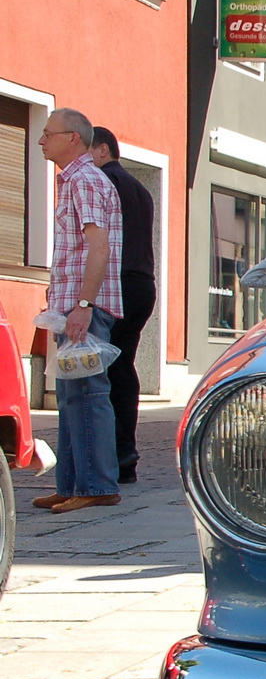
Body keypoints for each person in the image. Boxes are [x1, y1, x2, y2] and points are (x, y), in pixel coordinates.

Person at [35, 108, 124, 513]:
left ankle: (95, 485)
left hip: (83, 306)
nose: (41, 140)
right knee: (71, 396)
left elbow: (98, 247)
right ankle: (73, 483)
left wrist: (84, 306)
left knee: (87, 395)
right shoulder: (76, 181)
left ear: (73, 138)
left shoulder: (86, 180)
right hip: (71, 304)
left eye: (48, 134)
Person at [88, 127, 155, 485]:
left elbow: (98, 242)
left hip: (116, 282)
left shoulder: (100, 183)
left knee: (102, 372)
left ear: (101, 150)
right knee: (122, 368)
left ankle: (107, 459)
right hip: (142, 282)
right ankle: (124, 457)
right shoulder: (140, 189)